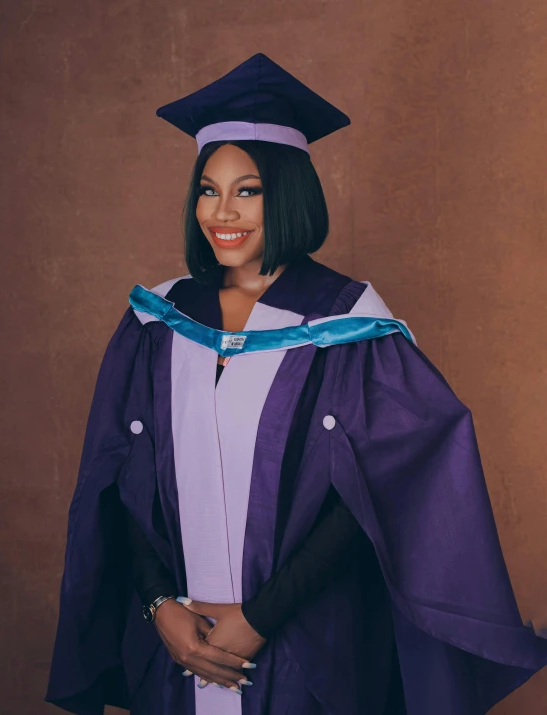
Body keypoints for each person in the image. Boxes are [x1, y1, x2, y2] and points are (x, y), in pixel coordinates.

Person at [45, 53, 547, 715]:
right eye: (208, 187)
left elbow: (382, 487)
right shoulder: (159, 319)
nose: (221, 211)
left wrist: (259, 615)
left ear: (287, 193)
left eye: (247, 189)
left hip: (303, 656)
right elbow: (119, 474)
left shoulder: (345, 321)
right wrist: (160, 605)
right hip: (173, 655)